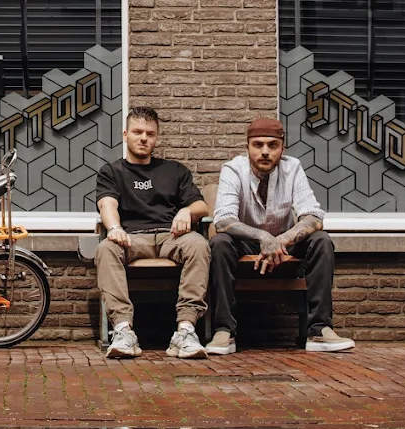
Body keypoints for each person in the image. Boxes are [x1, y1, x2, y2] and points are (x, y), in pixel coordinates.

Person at [205, 116, 355, 355]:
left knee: (321, 241)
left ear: (282, 148)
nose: (265, 151)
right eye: (258, 145)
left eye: (272, 145)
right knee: (220, 243)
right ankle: (224, 331)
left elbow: (313, 217)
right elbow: (223, 220)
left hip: (285, 244)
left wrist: (280, 240)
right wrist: (263, 237)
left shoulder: (292, 168)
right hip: (246, 244)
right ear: (247, 147)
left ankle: (319, 330)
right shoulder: (233, 169)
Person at [94, 106, 211, 359]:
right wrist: (115, 228)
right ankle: (123, 330)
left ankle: (186, 330)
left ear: (156, 137)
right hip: (133, 239)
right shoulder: (112, 172)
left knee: (199, 244)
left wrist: (186, 211)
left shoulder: (174, 170)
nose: (143, 138)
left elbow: (201, 206)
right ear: (126, 134)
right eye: (137, 132)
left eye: (150, 133)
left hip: (172, 236)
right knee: (105, 249)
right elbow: (107, 204)